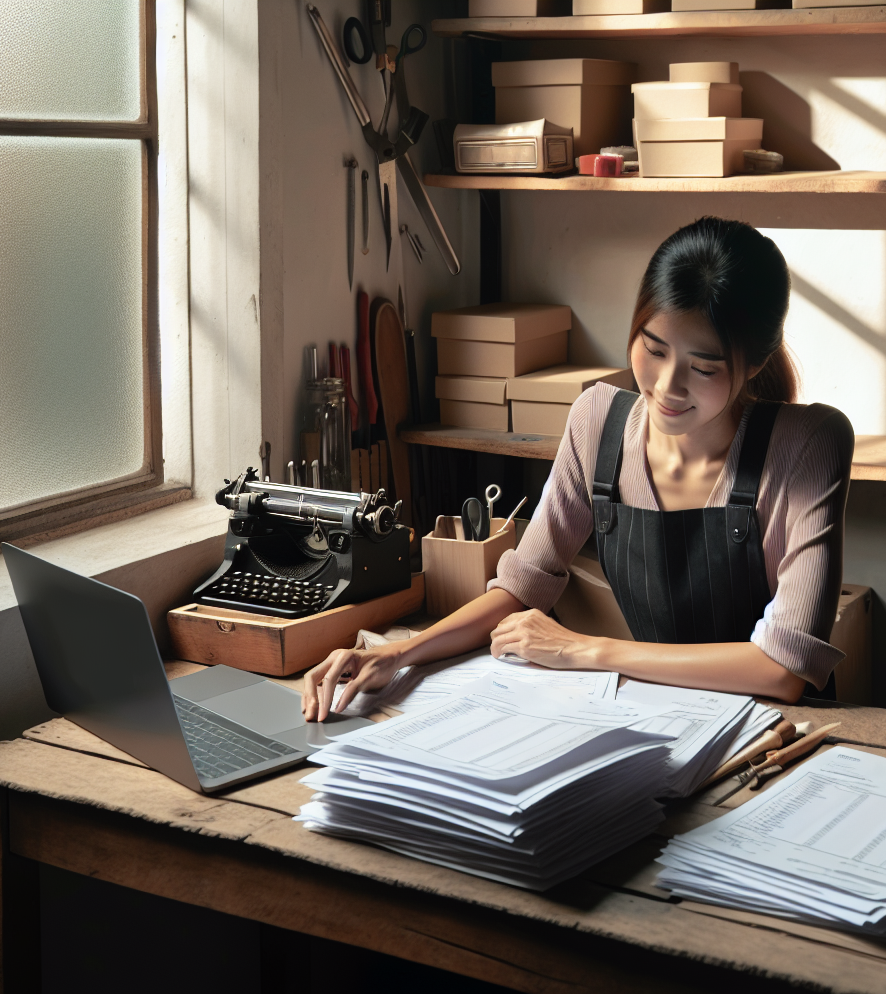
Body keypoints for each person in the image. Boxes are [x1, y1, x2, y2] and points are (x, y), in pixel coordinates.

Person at [303, 216, 854, 720]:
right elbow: (522, 586)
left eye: (703, 367)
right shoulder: (597, 420)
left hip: (771, 730)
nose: (665, 386)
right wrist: (397, 654)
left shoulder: (808, 445)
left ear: (754, 362)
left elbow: (783, 671)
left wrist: (581, 649)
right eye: (654, 348)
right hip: (653, 715)